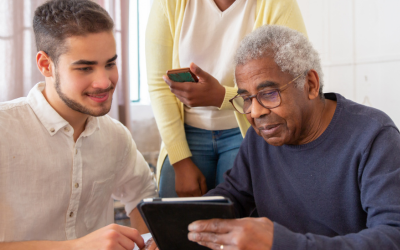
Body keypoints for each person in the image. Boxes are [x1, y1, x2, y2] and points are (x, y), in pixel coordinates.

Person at [184, 25, 400, 249]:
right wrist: (174, 229)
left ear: (310, 85)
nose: (256, 112)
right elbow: (232, 196)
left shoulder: (374, 136)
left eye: (269, 94)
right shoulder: (261, 137)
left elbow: (392, 236)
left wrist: (282, 244)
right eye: (246, 98)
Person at [0, 0, 157, 249]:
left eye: (110, 64)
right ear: (45, 65)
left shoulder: (115, 136)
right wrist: (75, 247)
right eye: (85, 68)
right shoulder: (4, 130)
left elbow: (143, 198)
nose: (104, 82)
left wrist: (150, 241)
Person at [146, 0, 308, 197]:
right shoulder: (169, 4)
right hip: (184, 134)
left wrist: (222, 97)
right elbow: (159, 85)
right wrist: (180, 161)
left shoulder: (278, 4)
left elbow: (294, 82)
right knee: (176, 222)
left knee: (240, 221)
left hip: (249, 132)